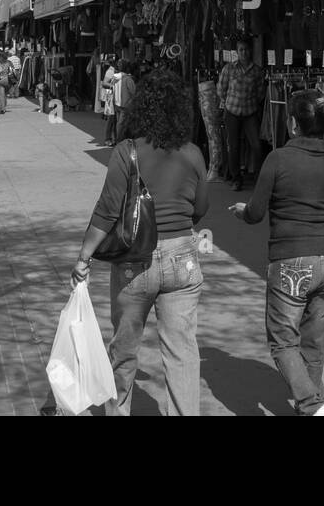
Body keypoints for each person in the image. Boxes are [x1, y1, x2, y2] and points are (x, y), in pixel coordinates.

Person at [71, 69, 210, 416]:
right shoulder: (192, 153)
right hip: (183, 258)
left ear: (141, 108)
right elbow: (201, 208)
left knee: (124, 348)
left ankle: (118, 409)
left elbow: (107, 211)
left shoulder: (125, 151)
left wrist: (84, 257)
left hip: (135, 260)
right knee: (182, 352)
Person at [230, 89, 324, 416]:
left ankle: (313, 407)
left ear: (293, 123)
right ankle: (313, 407)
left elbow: (255, 212)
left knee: (283, 343)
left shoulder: (277, 158)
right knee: (313, 344)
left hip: (291, 261)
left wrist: (242, 211)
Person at [218, 37, 267, 191]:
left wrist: (251, 102)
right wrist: (228, 102)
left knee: (257, 146)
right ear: (237, 52)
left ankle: (259, 178)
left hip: (250, 112)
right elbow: (221, 89)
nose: (244, 53)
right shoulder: (229, 68)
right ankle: (236, 178)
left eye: (246, 49)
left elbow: (260, 92)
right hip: (232, 111)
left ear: (250, 51)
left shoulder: (257, 71)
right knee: (233, 146)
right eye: (241, 50)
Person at [112, 60, 137, 143]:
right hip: (125, 105)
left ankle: (117, 139)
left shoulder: (115, 77)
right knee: (121, 124)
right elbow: (133, 92)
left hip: (117, 104)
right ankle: (118, 141)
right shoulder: (128, 79)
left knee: (118, 123)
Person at [99, 57, 117, 146]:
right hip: (110, 96)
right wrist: (114, 87)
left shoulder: (115, 70)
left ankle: (114, 138)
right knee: (111, 119)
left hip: (114, 96)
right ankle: (108, 139)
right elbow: (104, 83)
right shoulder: (111, 71)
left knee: (114, 119)